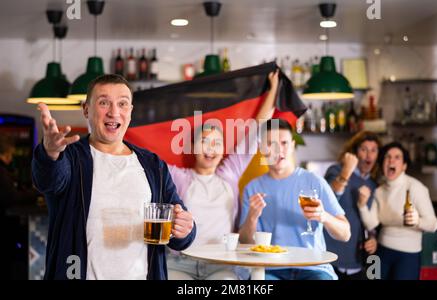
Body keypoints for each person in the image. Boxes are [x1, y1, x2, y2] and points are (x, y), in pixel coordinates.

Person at [32, 74, 196, 280]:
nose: (114, 112)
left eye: (122, 104)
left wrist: (184, 230)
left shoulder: (153, 165)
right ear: (86, 109)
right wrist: (50, 152)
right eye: (103, 103)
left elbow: (181, 228)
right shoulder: (70, 157)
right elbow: (49, 179)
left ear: (130, 112)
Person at [166, 70, 279, 280]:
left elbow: (258, 128)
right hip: (181, 262)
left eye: (217, 143)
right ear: (192, 147)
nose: (211, 148)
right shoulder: (178, 176)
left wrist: (273, 89)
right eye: (204, 142)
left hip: (222, 264)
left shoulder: (230, 172)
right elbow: (144, 159)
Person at [239, 119, 351, 280]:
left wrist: (323, 216)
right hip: (271, 269)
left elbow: (345, 234)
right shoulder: (253, 188)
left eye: (284, 143)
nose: (279, 150)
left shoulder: (315, 181)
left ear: (292, 145)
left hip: (313, 268)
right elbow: (244, 242)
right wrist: (251, 217)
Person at [357, 142, 437, 280]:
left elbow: (433, 224)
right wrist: (362, 205)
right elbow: (371, 224)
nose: (391, 160)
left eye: (397, 157)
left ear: (404, 166)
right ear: (383, 164)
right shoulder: (379, 191)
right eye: (387, 157)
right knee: (371, 278)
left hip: (408, 255)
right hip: (380, 252)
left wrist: (417, 221)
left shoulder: (416, 188)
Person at [324, 131, 381, 280]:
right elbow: (327, 200)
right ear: (355, 153)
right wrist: (346, 171)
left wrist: (373, 238)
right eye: (364, 149)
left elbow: (370, 220)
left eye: (373, 150)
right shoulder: (336, 170)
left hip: (357, 261)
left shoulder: (373, 184)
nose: (369, 155)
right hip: (330, 257)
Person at [0, 136, 39, 279]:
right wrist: (35, 193)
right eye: (9, 155)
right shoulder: (2, 171)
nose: (10, 159)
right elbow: (12, 197)